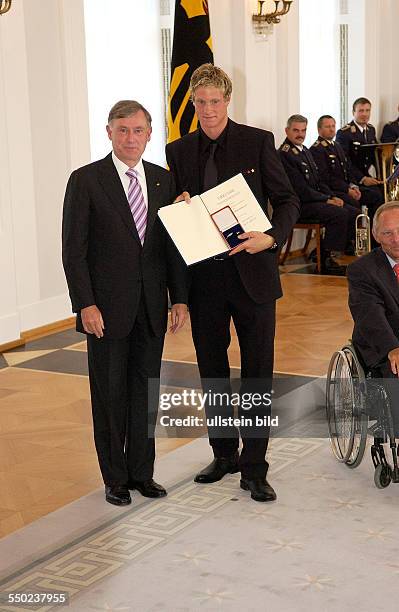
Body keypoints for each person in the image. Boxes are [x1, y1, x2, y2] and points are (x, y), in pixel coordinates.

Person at [166, 63, 299, 502]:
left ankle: (255, 467)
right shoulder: (178, 150)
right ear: (192, 102)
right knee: (213, 372)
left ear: (228, 100)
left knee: (258, 371)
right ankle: (223, 453)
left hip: (253, 275)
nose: (207, 110)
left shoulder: (256, 142)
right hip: (204, 278)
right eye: (200, 102)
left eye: (215, 102)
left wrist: (273, 238)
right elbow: (173, 214)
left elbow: (286, 200)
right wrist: (180, 204)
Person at [62, 100, 188, 506]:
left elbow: (171, 248)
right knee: (110, 395)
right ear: (109, 132)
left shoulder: (163, 181)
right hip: (105, 311)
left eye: (138, 130)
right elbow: (74, 251)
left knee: (144, 392)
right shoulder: (85, 180)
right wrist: (86, 304)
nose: (130, 138)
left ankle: (142, 474)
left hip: (151, 307)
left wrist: (179, 299)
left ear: (149, 134)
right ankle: (114, 478)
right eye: (122, 130)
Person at [279, 114, 358, 272]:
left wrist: (332, 196)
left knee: (352, 211)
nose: (300, 134)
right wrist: (327, 200)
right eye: (296, 130)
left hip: (313, 200)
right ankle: (326, 261)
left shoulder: (305, 151)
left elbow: (318, 182)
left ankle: (322, 252)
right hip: (299, 205)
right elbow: (301, 189)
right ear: (287, 131)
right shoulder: (285, 154)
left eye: (303, 130)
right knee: (339, 214)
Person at [347, 201, 399, 432]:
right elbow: (370, 315)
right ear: (376, 235)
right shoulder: (362, 269)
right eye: (388, 233)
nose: (396, 239)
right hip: (383, 342)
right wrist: (393, 348)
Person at [310, 115, 382, 214]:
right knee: (354, 206)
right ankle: (357, 228)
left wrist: (354, 186)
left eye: (333, 126)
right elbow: (326, 178)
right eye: (327, 127)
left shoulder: (337, 146)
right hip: (333, 191)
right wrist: (347, 190)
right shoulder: (317, 149)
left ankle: (372, 228)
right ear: (319, 130)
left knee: (376, 196)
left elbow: (348, 169)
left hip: (347, 187)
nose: (331, 129)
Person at [336, 98, 383, 190]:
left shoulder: (371, 130)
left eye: (367, 110)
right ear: (353, 112)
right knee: (377, 195)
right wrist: (362, 178)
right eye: (361, 111)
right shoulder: (344, 133)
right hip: (353, 179)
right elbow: (344, 161)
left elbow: (375, 154)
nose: (364, 114)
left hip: (368, 175)